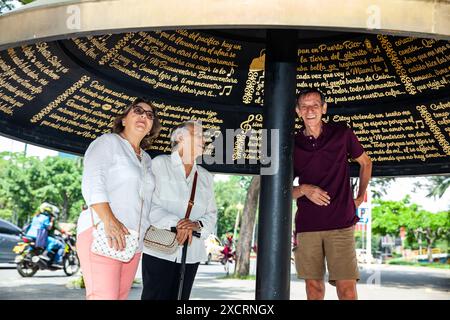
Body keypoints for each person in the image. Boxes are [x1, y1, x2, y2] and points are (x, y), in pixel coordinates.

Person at [77, 97, 161, 300]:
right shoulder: (108, 142)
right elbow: (92, 182)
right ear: (123, 119)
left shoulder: (147, 160)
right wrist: (109, 220)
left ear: (151, 128)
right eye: (137, 111)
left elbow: (146, 203)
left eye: (149, 115)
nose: (144, 116)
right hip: (104, 231)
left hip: (133, 242)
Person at [292, 88, 372, 300]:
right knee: (314, 290)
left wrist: (360, 195)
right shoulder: (292, 144)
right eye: (305, 106)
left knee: (347, 290)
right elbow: (281, 191)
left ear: (324, 109)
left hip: (341, 224)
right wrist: (304, 189)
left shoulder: (342, 134)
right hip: (308, 226)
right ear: (298, 111)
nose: (310, 110)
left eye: (315, 105)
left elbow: (366, 163)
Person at [141, 120, 217, 300]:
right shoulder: (159, 164)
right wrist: (178, 223)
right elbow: (148, 205)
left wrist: (195, 225)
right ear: (180, 138)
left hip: (191, 254)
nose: (204, 140)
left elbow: (212, 214)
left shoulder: (206, 177)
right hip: (159, 249)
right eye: (198, 135)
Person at [25, 202, 64, 267]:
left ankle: (28, 253)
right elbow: (49, 228)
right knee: (56, 243)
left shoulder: (35, 216)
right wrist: (51, 221)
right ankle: (47, 255)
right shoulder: (46, 218)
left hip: (29, 235)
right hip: (39, 236)